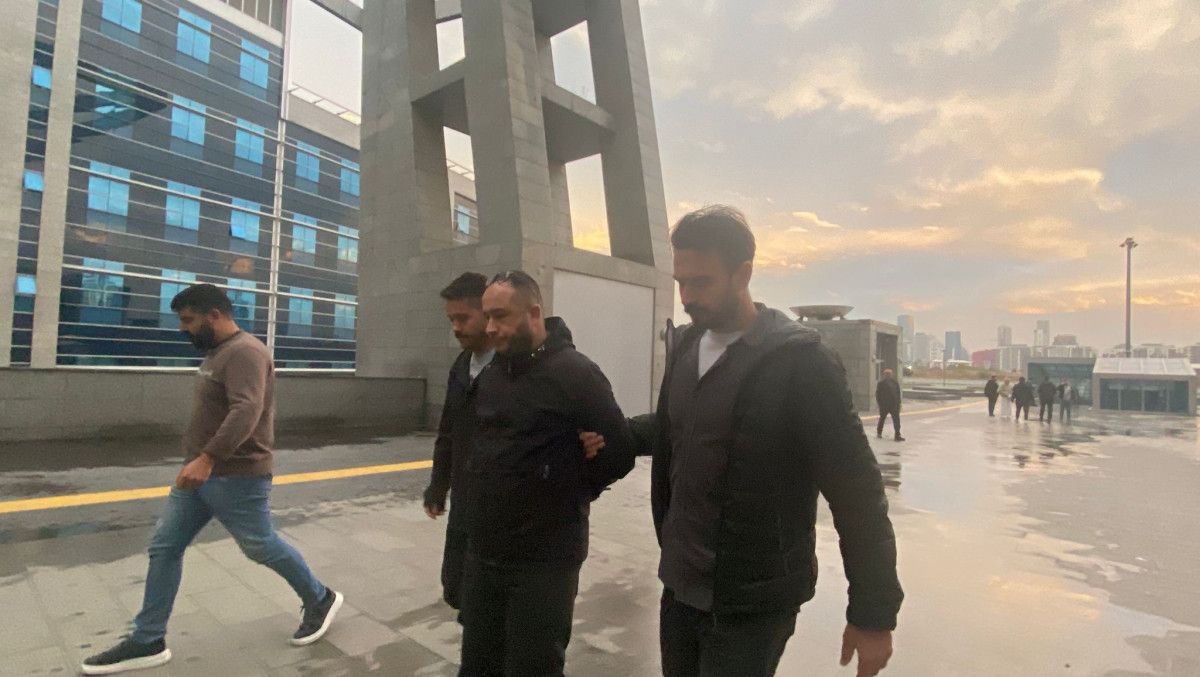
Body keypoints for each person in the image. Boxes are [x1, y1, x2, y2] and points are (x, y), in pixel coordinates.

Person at [585, 206, 902, 677]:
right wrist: (615, 435)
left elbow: (856, 489)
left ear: (744, 273)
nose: (687, 297)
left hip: (752, 604)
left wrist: (873, 615)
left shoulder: (801, 362)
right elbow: (678, 425)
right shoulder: (686, 347)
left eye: (702, 282)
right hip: (680, 586)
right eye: (681, 282)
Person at [82, 284, 341, 675]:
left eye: (188, 320)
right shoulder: (218, 353)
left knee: (259, 545)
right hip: (200, 474)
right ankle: (148, 638)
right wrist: (198, 461)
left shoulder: (245, 352)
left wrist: (208, 458)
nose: (183, 329)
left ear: (214, 315)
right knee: (164, 546)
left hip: (236, 475)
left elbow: (246, 409)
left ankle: (320, 598)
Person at [458, 271, 636, 677]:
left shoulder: (577, 374)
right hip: (485, 555)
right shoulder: (491, 375)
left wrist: (573, 483)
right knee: (477, 666)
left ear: (534, 313)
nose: (490, 327)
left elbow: (620, 451)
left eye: (500, 316)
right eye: (487, 316)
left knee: (533, 667)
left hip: (545, 562)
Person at [423, 273, 494, 613]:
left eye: (463, 318)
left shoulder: (512, 365)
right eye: (451, 319)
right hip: (465, 500)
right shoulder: (462, 366)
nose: (456, 327)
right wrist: (438, 487)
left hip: (499, 507)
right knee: (457, 590)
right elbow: (448, 433)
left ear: (487, 313)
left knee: (485, 601)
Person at [875, 369, 905, 441]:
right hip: (884, 405)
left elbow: (898, 394)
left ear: (891, 374)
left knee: (896, 420)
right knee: (882, 419)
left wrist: (899, 403)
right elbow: (878, 394)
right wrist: (880, 404)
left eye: (889, 374)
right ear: (884, 375)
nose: (888, 375)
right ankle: (879, 433)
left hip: (894, 405)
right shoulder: (881, 383)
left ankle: (897, 435)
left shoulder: (895, 382)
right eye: (887, 374)